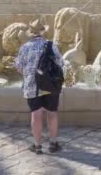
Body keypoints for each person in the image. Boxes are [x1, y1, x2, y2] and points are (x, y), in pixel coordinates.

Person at [15, 17, 64, 154]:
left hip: (32, 86)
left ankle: (37, 146)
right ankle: (53, 143)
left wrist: (29, 71)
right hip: (50, 85)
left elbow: (18, 67)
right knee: (52, 114)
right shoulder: (50, 45)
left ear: (31, 32)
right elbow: (61, 63)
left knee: (36, 114)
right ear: (43, 32)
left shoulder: (24, 47)